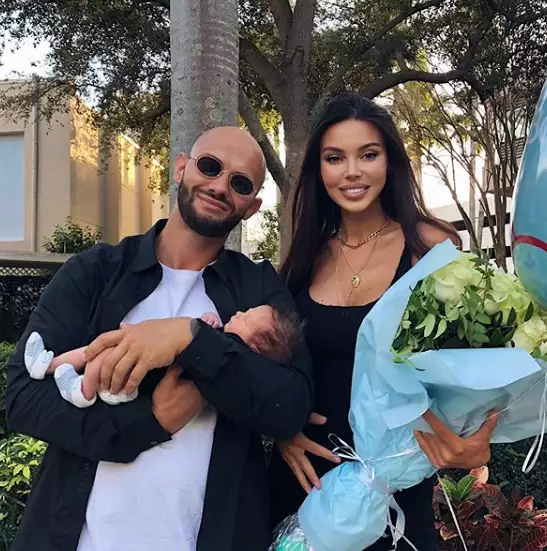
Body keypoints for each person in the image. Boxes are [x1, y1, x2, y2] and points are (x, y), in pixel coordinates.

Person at [5, 126, 313, 551]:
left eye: (240, 183)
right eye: (210, 166)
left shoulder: (258, 289)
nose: (220, 186)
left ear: (252, 207)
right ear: (181, 167)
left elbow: (291, 405)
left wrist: (190, 338)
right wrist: (149, 423)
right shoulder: (96, 271)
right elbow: (22, 398)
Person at [268, 92, 498, 550]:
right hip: (305, 485)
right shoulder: (306, 254)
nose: (352, 171)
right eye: (335, 158)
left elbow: (480, 359)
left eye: (368, 155)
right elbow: (276, 365)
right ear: (319, 171)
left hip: (395, 489)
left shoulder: (429, 246)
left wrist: (478, 442)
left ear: (389, 163)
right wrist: (281, 429)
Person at [23, 305, 303, 408]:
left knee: (103, 353)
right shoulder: (225, 345)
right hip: (142, 364)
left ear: (254, 349)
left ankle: (82, 390)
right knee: (101, 347)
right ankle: (48, 364)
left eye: (246, 319)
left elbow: (199, 348)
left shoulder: (232, 357)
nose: (239, 313)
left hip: (144, 373)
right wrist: (208, 321)